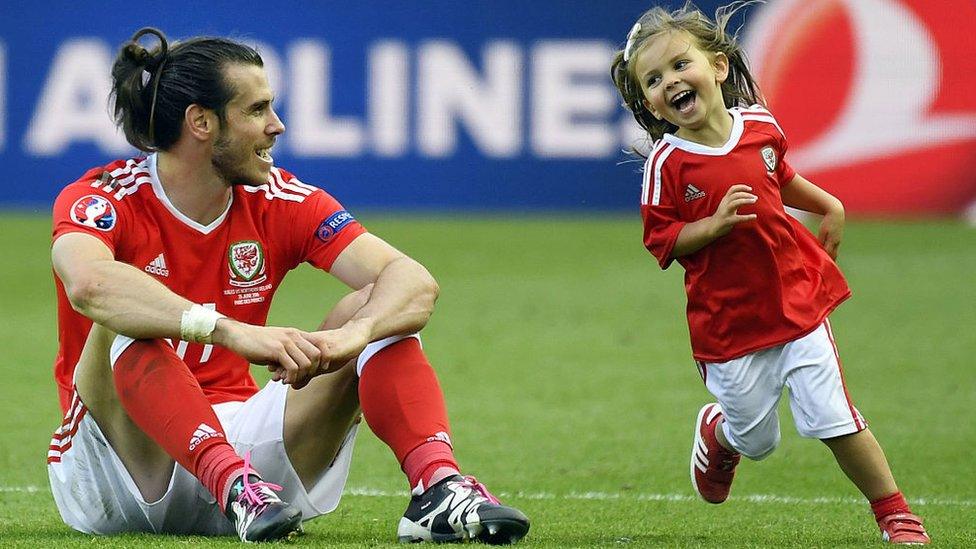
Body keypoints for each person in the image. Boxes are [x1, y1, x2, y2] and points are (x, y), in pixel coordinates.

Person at [47, 27, 529, 544]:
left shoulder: (282, 199)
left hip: (254, 472)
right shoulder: (103, 196)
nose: (276, 126)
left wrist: (356, 336)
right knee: (125, 321)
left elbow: (412, 281)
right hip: (120, 469)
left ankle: (438, 488)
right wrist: (228, 331)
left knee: (376, 304)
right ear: (202, 122)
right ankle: (230, 482)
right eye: (256, 110)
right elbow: (91, 284)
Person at [610, 2, 929, 545]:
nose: (671, 82)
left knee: (834, 416)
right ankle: (720, 433)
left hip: (795, 298)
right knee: (757, 440)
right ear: (649, 103)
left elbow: (779, 177)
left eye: (679, 65)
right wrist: (710, 225)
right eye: (655, 80)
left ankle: (895, 514)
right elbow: (661, 240)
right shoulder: (668, 164)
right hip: (729, 324)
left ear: (717, 66)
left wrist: (828, 202)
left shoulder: (758, 125)